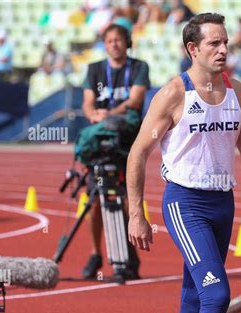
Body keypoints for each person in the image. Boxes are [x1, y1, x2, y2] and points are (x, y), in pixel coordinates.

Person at [126, 13, 241, 313]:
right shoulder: (172, 94)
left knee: (194, 298)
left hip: (222, 204)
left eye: (226, 42)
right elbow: (137, 153)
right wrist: (136, 214)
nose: (224, 49)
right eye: (215, 43)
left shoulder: (236, 91)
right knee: (216, 295)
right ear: (192, 49)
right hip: (186, 204)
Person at [80, 23, 150, 280]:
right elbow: (87, 103)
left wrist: (109, 114)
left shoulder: (139, 67)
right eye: (109, 41)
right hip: (101, 143)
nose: (114, 45)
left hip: (128, 143)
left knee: (127, 200)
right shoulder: (94, 69)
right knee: (96, 200)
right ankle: (95, 252)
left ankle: (129, 256)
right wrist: (95, 115)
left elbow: (135, 101)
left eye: (118, 40)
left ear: (127, 41)